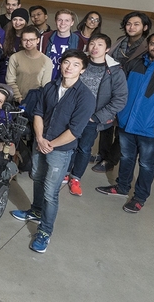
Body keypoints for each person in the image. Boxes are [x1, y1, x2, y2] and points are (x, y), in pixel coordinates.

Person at [95, 31, 154, 214]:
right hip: (126, 124)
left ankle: (139, 198)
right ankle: (122, 187)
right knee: (126, 157)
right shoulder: (134, 65)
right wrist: (119, 114)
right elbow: (119, 90)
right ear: (148, 45)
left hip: (151, 130)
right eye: (153, 44)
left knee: (146, 163)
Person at [11, 50, 93, 254]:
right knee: (37, 178)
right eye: (66, 62)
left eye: (75, 64)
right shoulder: (50, 86)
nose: (69, 67)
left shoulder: (86, 97)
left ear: (82, 69)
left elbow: (75, 131)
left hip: (60, 150)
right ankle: (36, 211)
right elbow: (38, 113)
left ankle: (45, 231)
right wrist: (39, 138)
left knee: (50, 192)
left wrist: (51, 144)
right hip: (40, 143)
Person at [65, 33, 127, 196]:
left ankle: (76, 177)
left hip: (92, 118)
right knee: (68, 144)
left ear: (107, 49)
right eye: (92, 43)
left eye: (100, 44)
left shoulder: (114, 70)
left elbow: (120, 99)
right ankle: (65, 172)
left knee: (84, 148)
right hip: (72, 113)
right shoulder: (79, 62)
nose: (95, 47)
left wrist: (97, 117)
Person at [94, 11, 152, 173]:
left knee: (123, 127)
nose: (131, 27)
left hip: (130, 91)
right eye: (128, 23)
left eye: (136, 24)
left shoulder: (147, 47)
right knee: (106, 122)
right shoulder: (120, 41)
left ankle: (111, 159)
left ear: (145, 27)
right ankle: (102, 153)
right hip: (111, 87)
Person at [5, 26, 53, 102]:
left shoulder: (46, 61)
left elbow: (45, 86)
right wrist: (19, 98)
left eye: (32, 40)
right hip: (16, 100)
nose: (28, 43)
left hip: (36, 101)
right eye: (25, 40)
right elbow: (10, 81)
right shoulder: (15, 57)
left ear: (38, 40)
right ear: (21, 41)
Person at [39, 9, 84, 79]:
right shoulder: (45, 37)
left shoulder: (78, 40)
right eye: (60, 20)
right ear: (55, 21)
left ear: (72, 23)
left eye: (67, 20)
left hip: (64, 79)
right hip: (45, 78)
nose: (63, 23)